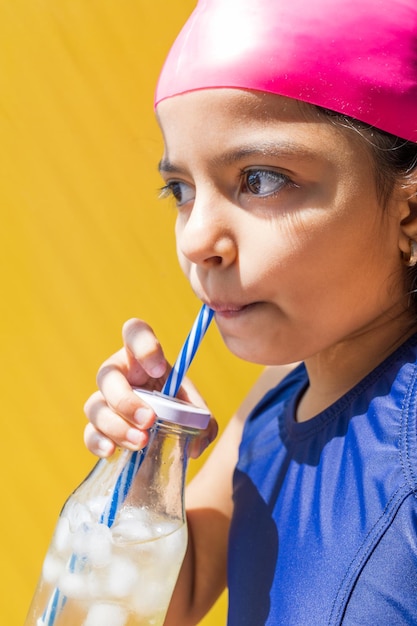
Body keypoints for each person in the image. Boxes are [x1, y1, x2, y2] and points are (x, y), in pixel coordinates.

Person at [83, 0, 417, 623]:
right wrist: (146, 465)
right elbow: (161, 606)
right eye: (179, 191)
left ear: (409, 210)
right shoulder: (275, 402)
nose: (195, 240)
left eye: (260, 179)